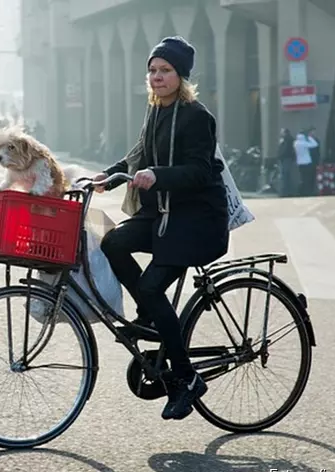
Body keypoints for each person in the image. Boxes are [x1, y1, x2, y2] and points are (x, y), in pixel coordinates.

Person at [92, 36, 229, 421]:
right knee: (114, 242)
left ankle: (186, 379)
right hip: (163, 214)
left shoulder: (195, 115)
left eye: (165, 70)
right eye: (152, 70)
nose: (156, 76)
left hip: (196, 220)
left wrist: (158, 175)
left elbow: (201, 172)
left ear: (181, 76)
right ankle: (151, 315)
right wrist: (112, 174)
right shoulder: (155, 111)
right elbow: (139, 157)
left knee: (153, 287)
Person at [293, 128, 318, 196]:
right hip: (307, 162)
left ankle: (302, 192)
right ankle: (307, 192)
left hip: (300, 163)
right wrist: (309, 137)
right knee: (308, 178)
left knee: (303, 178)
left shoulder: (296, 143)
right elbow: (315, 144)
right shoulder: (304, 143)